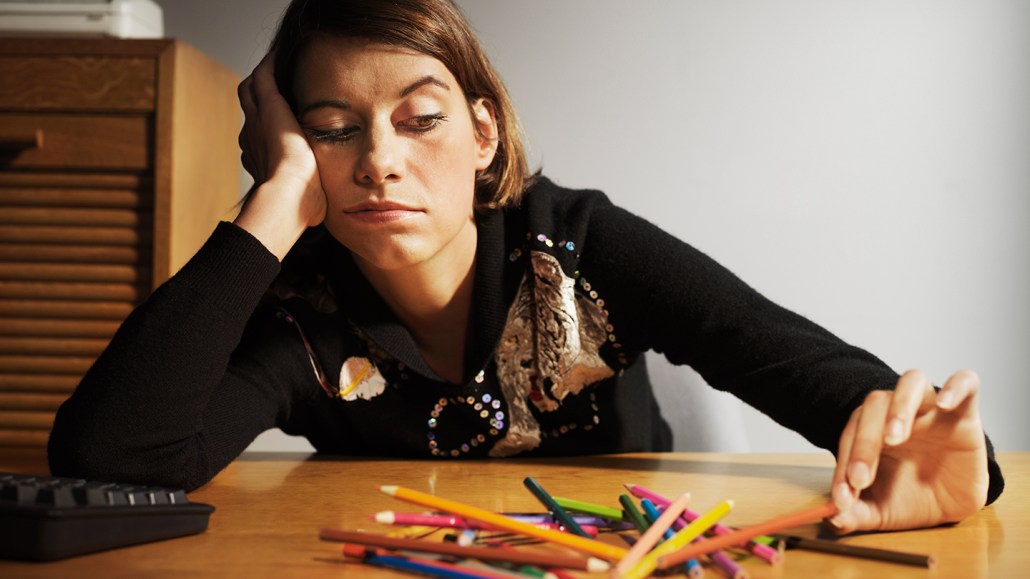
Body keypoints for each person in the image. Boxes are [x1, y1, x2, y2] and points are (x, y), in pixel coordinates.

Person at [48, 0, 1002, 536]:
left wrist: (960, 466)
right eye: (333, 130)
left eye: (420, 120)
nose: (379, 159)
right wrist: (271, 197)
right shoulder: (297, 316)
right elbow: (115, 458)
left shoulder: (580, 248)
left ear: (481, 132)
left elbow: (797, 365)